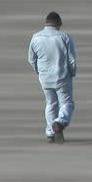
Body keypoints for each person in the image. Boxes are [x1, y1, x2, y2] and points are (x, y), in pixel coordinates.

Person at [28, 11, 77, 144]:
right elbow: (71, 60)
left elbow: (31, 59)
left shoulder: (36, 37)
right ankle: (60, 123)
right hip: (62, 76)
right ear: (59, 23)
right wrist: (72, 72)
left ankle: (50, 132)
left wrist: (39, 72)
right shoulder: (64, 37)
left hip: (45, 77)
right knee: (67, 103)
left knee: (51, 103)